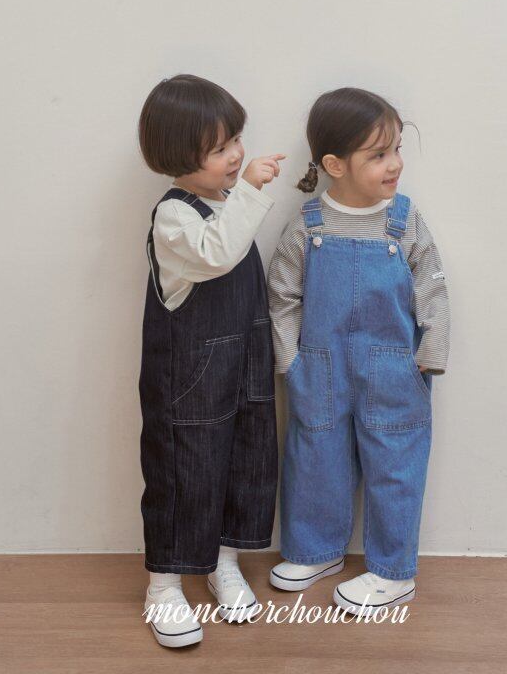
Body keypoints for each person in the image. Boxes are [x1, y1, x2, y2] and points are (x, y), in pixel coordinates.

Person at [267, 86, 450, 617]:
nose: (395, 164)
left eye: (397, 149)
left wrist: (432, 349)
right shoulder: (308, 225)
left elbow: (432, 286)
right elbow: (282, 295)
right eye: (378, 154)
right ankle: (315, 551)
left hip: (395, 366)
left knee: (396, 464)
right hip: (320, 365)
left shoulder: (405, 221)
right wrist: (290, 360)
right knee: (314, 456)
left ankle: (394, 572)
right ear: (335, 165)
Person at [137, 74, 284, 647]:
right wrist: (249, 191)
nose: (236, 155)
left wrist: (238, 193)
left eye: (236, 140)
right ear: (179, 155)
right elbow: (217, 254)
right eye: (220, 148)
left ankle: (223, 560)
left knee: (242, 461)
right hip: (189, 378)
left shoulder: (226, 204)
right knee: (183, 473)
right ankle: (165, 584)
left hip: (241, 366)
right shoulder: (175, 218)